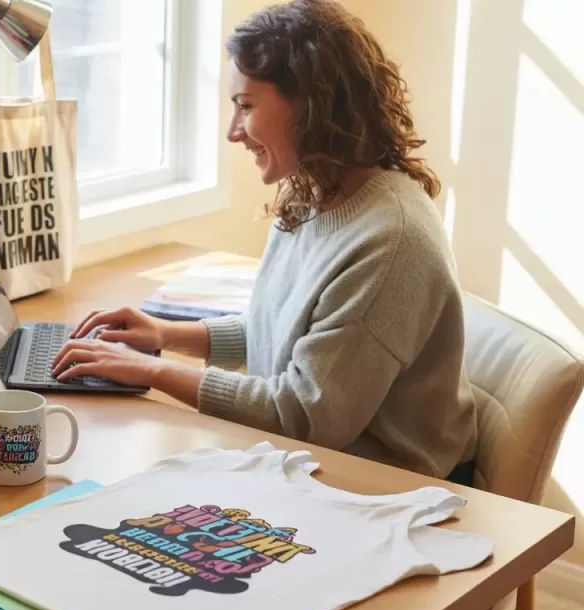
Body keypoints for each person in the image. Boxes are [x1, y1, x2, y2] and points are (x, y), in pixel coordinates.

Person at [50, 0, 478, 482]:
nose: (235, 133)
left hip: (386, 486)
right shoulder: (314, 191)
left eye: (247, 107)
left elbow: (305, 415)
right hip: (308, 458)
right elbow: (276, 332)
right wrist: (166, 336)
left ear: (312, 106)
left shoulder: (389, 243)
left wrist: (151, 372)